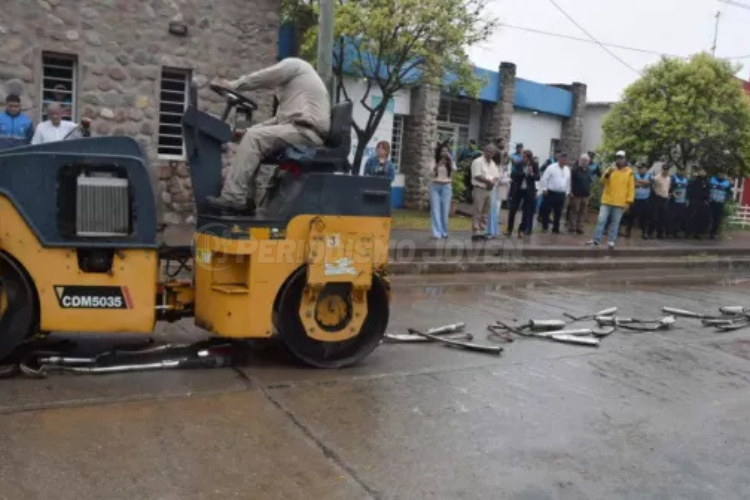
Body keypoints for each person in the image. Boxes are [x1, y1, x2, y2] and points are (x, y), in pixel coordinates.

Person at [207, 58, 331, 213]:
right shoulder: (294, 94)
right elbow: (279, 120)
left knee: (254, 138)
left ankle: (233, 197)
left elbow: (264, 77)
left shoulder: (294, 65)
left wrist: (233, 85)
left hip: (306, 131)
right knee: (252, 136)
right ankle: (247, 200)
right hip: (301, 129)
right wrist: (248, 131)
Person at [587, 150, 634, 249]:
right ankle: (596, 240)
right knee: (601, 220)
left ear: (625, 159)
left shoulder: (629, 172)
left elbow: (631, 188)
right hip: (607, 200)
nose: (619, 159)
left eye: (621, 158)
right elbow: (602, 181)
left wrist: (628, 202)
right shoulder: (610, 168)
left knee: (615, 222)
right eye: (618, 157)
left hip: (620, 202)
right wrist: (608, 173)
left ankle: (611, 241)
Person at [505, 150, 540, 238]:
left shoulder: (534, 164)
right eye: (522, 156)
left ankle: (521, 230)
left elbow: (538, 177)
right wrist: (523, 174)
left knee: (526, 211)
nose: (523, 158)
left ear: (529, 158)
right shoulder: (518, 164)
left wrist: (531, 174)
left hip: (528, 190)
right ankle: (509, 229)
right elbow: (513, 175)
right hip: (518, 189)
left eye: (524, 157)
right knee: (513, 209)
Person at [470, 145, 499, 241]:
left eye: (492, 152)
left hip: (489, 190)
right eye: (488, 151)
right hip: (479, 189)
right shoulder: (477, 161)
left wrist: (493, 183)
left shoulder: (493, 163)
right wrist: (489, 182)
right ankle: (475, 232)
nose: (490, 153)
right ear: (484, 151)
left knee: (486, 212)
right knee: (477, 211)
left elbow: (496, 176)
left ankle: (482, 232)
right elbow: (476, 175)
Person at [539, 152, 570, 234]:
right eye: (562, 159)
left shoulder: (567, 169)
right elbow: (545, 178)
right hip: (551, 192)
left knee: (558, 212)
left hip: (561, 194)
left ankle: (556, 228)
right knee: (547, 211)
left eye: (565, 160)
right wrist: (544, 188)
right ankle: (545, 227)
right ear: (559, 159)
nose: (563, 161)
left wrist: (567, 192)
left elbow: (568, 182)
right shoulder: (551, 167)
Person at [429, 146, 453, 239]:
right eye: (442, 150)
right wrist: (438, 164)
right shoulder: (434, 160)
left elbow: (455, 169)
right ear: (439, 152)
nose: (444, 152)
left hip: (446, 187)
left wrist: (450, 159)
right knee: (435, 210)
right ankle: (437, 232)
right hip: (435, 186)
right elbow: (430, 172)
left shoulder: (450, 162)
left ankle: (444, 231)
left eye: (446, 151)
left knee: (445, 210)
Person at [568, 153, 592, 234]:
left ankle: (579, 227)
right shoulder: (575, 170)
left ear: (588, 162)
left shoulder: (589, 170)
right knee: (574, 211)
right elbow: (570, 181)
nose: (584, 162)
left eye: (586, 160)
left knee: (582, 212)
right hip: (576, 195)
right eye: (583, 160)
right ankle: (572, 227)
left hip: (585, 195)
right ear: (580, 160)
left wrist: (589, 193)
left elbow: (589, 182)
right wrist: (570, 192)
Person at [627, 163, 652, 239]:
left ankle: (644, 233)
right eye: (639, 168)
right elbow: (634, 184)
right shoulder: (634, 175)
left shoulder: (649, 175)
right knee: (631, 216)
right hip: (635, 199)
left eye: (641, 168)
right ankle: (628, 231)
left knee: (645, 217)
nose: (640, 170)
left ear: (646, 169)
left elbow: (649, 183)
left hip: (645, 199)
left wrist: (639, 182)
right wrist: (643, 183)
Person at [685, 167, 711, 239]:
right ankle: (688, 233)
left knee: (700, 218)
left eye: (704, 172)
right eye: (701, 172)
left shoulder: (707, 182)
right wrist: (688, 199)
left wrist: (707, 200)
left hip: (702, 202)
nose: (703, 173)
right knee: (691, 217)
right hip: (694, 201)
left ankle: (698, 233)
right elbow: (689, 190)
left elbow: (708, 192)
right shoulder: (694, 181)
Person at [648, 163, 672, 239]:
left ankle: (660, 233)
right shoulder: (657, 177)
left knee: (663, 217)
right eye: (664, 169)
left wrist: (669, 194)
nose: (665, 171)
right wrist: (655, 192)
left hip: (665, 199)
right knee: (654, 217)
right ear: (662, 169)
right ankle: (650, 232)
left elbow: (668, 187)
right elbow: (652, 185)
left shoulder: (669, 178)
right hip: (657, 198)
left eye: (667, 170)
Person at [709, 171, 733, 239]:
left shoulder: (726, 183)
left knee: (717, 219)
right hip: (712, 202)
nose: (721, 175)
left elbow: (729, 192)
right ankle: (704, 231)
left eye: (722, 174)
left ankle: (713, 233)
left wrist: (726, 198)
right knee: (709, 217)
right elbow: (708, 189)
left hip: (720, 203)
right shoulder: (712, 180)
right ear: (717, 174)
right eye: (719, 174)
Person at [668, 165, 689, 238]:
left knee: (680, 217)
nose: (682, 172)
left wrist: (686, 200)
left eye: (683, 170)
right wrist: (673, 194)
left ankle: (676, 232)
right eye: (680, 170)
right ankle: (670, 232)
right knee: (673, 217)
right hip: (675, 201)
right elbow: (670, 189)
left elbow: (687, 190)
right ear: (677, 171)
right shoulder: (673, 178)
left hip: (682, 201)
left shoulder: (685, 179)